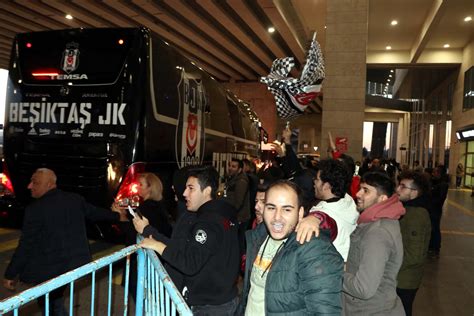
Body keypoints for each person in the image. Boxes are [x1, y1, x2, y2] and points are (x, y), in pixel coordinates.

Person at [3, 168, 123, 316]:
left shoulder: (35, 210)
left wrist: (10, 274)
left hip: (51, 270)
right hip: (73, 266)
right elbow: (96, 213)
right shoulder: (74, 199)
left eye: (35, 182)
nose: (29, 186)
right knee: (53, 303)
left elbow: (25, 245)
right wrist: (117, 216)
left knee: (51, 305)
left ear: (49, 185)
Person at [135, 165, 240, 315]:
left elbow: (190, 263)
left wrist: (158, 246)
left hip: (211, 307)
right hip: (219, 300)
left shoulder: (207, 223)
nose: (185, 193)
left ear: (207, 191)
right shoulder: (220, 215)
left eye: (191, 188)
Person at [239, 180, 344, 315]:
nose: (277, 217)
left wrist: (318, 217)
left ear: (300, 213)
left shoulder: (312, 248)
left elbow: (325, 311)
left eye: (287, 209)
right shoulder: (258, 236)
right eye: (271, 207)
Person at [342, 172, 405, 315]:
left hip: (371, 310)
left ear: (382, 199)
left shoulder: (377, 233)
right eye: (360, 188)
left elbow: (363, 288)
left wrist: (334, 272)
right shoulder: (376, 222)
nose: (358, 194)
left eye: (366, 191)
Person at [114, 172, 172, 301]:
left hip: (145, 259)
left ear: (150, 188)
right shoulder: (158, 205)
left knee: (140, 294)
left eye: (141, 184)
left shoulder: (147, 208)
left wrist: (121, 216)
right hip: (158, 257)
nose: (138, 187)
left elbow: (133, 232)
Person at [396, 171, 432, 316]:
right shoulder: (408, 209)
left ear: (414, 192)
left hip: (404, 280)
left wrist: (390, 267)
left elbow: (415, 255)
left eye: (403, 187)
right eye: (399, 185)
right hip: (402, 277)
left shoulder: (417, 215)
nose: (398, 189)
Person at [308, 159, 359, 261]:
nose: (314, 182)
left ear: (326, 186)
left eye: (317, 179)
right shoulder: (349, 202)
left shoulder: (321, 218)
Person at [428, 165, 449, 258]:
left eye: (436, 172)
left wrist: (431, 201)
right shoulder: (435, 182)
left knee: (435, 229)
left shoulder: (443, 184)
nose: (433, 173)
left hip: (435, 210)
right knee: (432, 229)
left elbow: (440, 198)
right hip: (432, 208)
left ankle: (436, 249)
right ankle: (431, 247)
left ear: (440, 173)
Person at [223, 158, 250, 225]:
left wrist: (231, 214)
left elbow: (239, 202)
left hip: (239, 218)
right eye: (230, 165)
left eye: (233, 167)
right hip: (235, 216)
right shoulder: (232, 179)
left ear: (239, 170)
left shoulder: (241, 181)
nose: (230, 168)